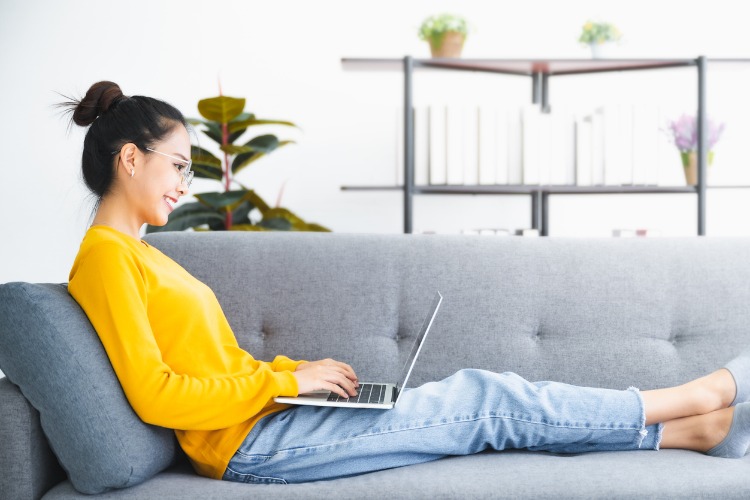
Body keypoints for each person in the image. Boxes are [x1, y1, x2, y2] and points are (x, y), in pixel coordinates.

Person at [62, 81, 750, 485]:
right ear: (131, 158)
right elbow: (157, 395)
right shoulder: (105, 258)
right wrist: (284, 385)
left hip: (268, 419)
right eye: (180, 166)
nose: (186, 185)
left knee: (484, 407)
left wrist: (292, 371)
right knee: (486, 400)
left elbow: (208, 365)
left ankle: (683, 435)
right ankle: (691, 397)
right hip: (250, 446)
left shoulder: (144, 254)